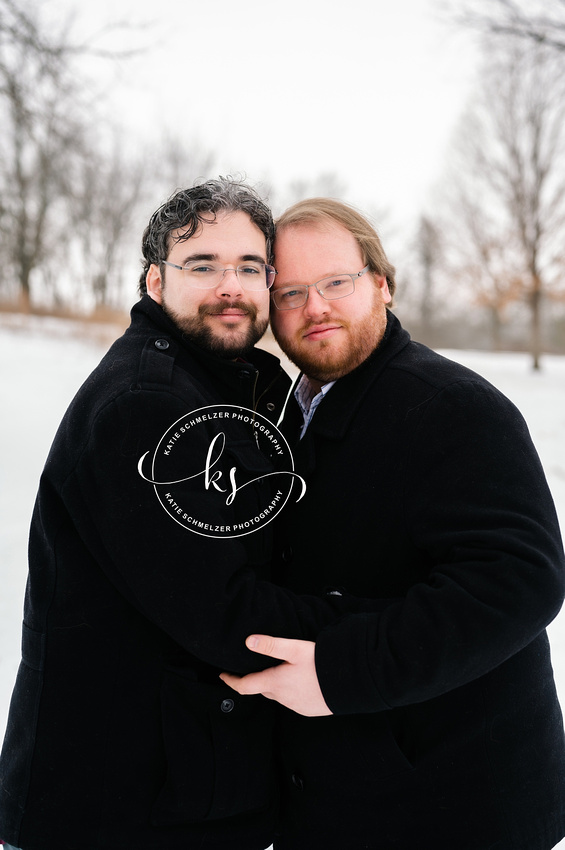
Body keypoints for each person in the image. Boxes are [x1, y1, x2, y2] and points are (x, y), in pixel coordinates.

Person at [0, 180, 368, 850]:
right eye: (201, 265)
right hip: (116, 811)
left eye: (249, 268)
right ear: (154, 281)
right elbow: (230, 617)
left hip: (177, 789)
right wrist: (383, 620)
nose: (230, 286)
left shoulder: (226, 388)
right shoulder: (148, 406)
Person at [220, 197, 565, 849]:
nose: (313, 307)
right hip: (349, 799)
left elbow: (519, 582)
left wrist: (342, 671)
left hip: (452, 809)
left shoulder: (454, 409)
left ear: (381, 282)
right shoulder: (291, 417)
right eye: (289, 292)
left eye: (335, 283)